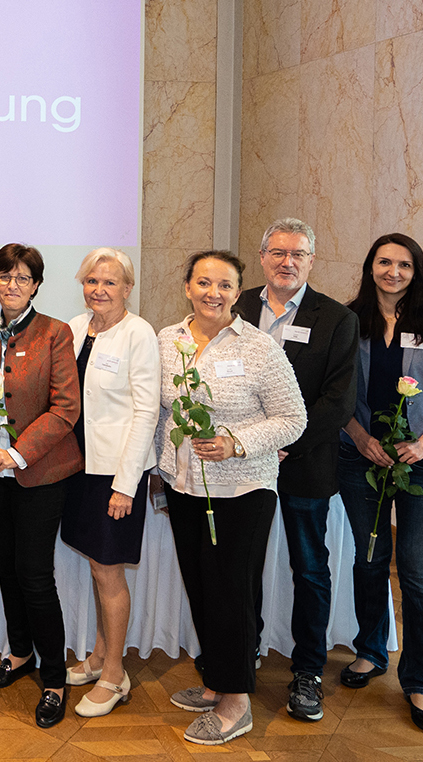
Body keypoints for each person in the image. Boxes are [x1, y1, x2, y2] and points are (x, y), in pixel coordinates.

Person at [160, 251, 305, 746]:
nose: (213, 293)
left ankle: (237, 702)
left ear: (237, 293)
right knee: (202, 588)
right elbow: (159, 412)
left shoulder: (260, 348)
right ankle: (216, 680)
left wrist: (235, 443)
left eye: (224, 285)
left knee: (232, 593)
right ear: (187, 286)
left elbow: (292, 418)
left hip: (242, 489)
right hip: (184, 486)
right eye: (203, 282)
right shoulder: (168, 340)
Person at [337, 234, 423, 732]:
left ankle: (419, 682)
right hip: (360, 459)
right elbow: (334, 394)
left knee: (418, 574)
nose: (393, 271)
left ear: (417, 271)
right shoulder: (348, 319)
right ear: (370, 266)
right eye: (384, 262)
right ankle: (371, 652)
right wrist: (357, 436)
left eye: (404, 264)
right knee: (369, 559)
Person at [230, 218, 358, 723]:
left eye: (298, 254)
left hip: (303, 464)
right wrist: (251, 444)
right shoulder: (235, 306)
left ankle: (307, 671)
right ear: (262, 257)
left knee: (309, 568)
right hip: (241, 465)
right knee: (243, 565)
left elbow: (338, 400)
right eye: (278, 252)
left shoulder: (337, 319)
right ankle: (242, 656)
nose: (287, 262)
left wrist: (281, 442)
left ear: (311, 261)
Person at [0, 243, 82, 729]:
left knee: (34, 573)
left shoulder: (56, 333)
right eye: (5, 276)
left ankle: (54, 676)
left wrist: (15, 452)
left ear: (36, 285)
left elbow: (65, 408)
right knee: (7, 569)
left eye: (23, 278)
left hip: (40, 472)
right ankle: (19, 653)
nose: (13, 285)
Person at [59, 248, 160, 718]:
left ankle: (116, 674)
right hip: (79, 468)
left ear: (127, 288)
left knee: (109, 570)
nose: (99, 289)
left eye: (110, 283)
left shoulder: (138, 334)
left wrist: (126, 484)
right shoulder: (76, 329)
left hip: (115, 475)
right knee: (98, 568)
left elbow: (146, 412)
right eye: (91, 281)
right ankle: (99, 656)